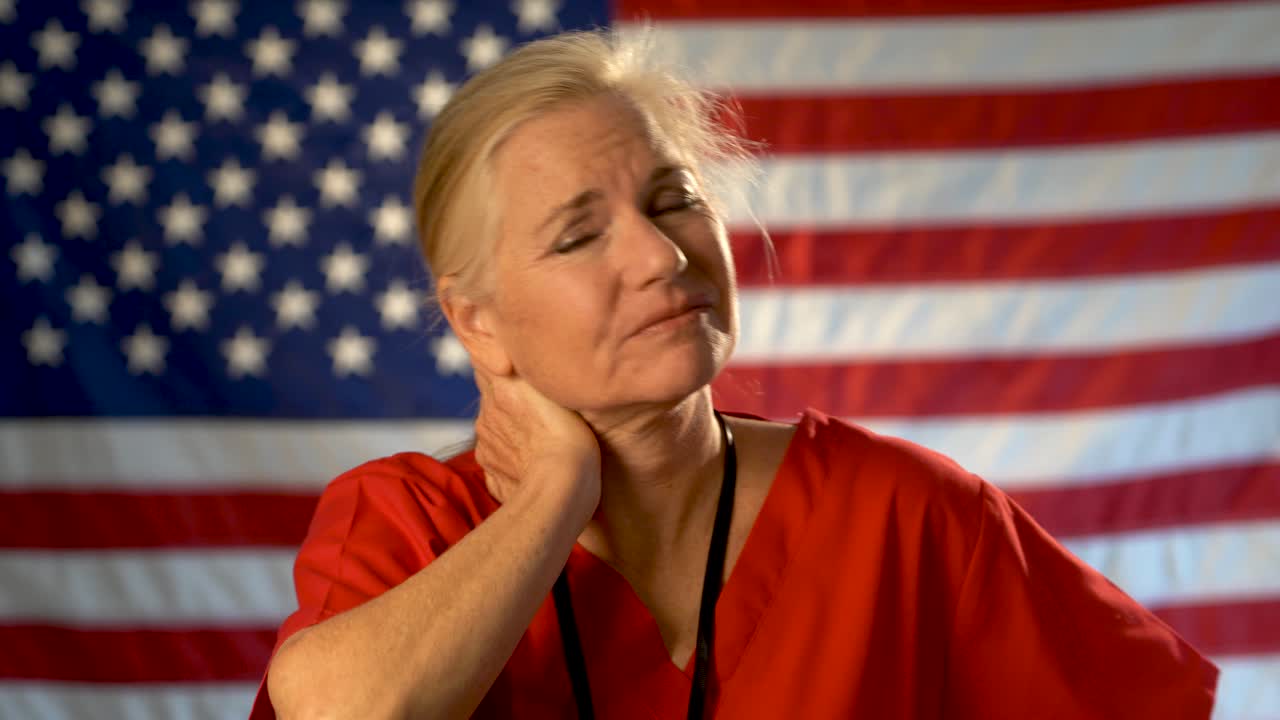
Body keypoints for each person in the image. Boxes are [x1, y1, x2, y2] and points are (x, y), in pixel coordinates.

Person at [251, 29, 1218, 720]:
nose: (663, 256)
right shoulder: (407, 521)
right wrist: (552, 498)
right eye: (579, 236)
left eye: (674, 199)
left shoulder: (905, 512)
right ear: (478, 322)